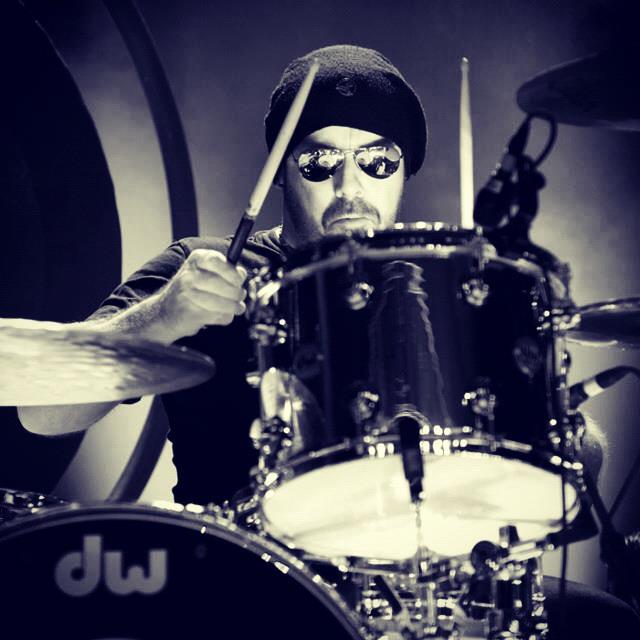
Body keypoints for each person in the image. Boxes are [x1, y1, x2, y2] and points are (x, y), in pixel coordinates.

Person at [17, 45, 639, 638]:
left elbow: (576, 479)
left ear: (403, 171)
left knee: (610, 624)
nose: (349, 188)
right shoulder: (203, 268)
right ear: (281, 171)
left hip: (426, 587)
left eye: (377, 162)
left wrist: (549, 422)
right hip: (244, 585)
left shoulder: (454, 289)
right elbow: (43, 412)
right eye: (319, 163)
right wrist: (163, 315)